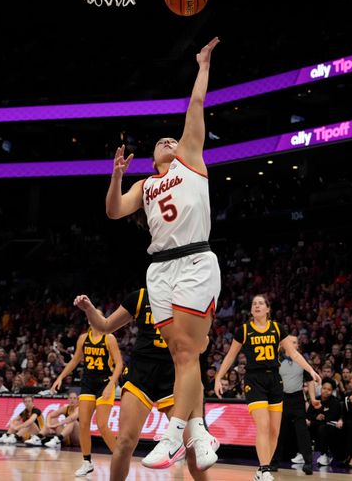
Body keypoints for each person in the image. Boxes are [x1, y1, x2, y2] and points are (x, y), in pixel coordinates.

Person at [105, 37, 222, 471]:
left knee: (189, 352)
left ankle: (175, 432)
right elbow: (114, 211)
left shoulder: (190, 160)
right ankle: (197, 430)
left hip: (194, 258)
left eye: (172, 139)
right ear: (152, 158)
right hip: (159, 269)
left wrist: (202, 65)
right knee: (180, 353)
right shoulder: (145, 186)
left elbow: (195, 107)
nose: (168, 139)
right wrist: (116, 177)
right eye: (161, 141)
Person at [74, 289, 210, 481]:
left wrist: (197, 338)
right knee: (124, 442)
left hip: (174, 375)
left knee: (193, 448)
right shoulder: (140, 296)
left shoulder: (190, 297)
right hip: (141, 373)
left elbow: (203, 345)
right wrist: (89, 309)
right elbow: (105, 326)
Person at [214, 295, 320, 481]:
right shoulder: (244, 330)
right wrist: (218, 377)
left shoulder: (277, 328)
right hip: (254, 381)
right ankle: (264, 469)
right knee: (262, 426)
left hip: (274, 380)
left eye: (260, 303)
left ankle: (262, 470)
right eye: (254, 303)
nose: (257, 306)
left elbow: (293, 353)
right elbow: (231, 356)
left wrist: (311, 370)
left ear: (267, 309)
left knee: (274, 431)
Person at [51, 325, 124, 476]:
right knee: (83, 423)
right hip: (88, 384)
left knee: (102, 425)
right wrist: (60, 377)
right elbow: (75, 361)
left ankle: (121, 459)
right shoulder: (83, 338)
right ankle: (87, 462)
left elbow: (119, 364)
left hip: (105, 382)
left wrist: (112, 384)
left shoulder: (109, 338)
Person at [277, 337, 315, 474]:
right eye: (290, 342)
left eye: (295, 342)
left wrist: (313, 398)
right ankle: (273, 462)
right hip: (281, 399)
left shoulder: (302, 361)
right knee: (278, 432)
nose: (293, 344)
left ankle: (309, 463)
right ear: (283, 344)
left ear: (298, 345)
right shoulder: (277, 360)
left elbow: (310, 379)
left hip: (298, 398)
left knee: (302, 432)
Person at [306, 378, 342, 467]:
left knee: (323, 427)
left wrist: (315, 419)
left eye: (329, 389)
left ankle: (324, 455)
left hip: (330, 428)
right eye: (324, 388)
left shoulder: (335, 402)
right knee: (302, 425)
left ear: (332, 391)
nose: (326, 391)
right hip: (316, 425)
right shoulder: (316, 400)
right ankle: (303, 453)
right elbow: (309, 414)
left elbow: (329, 419)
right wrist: (316, 417)